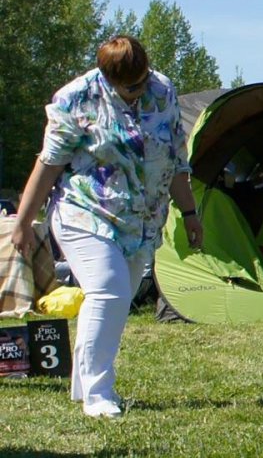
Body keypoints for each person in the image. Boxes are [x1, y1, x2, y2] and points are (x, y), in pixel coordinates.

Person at [11, 35, 201, 418]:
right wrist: (24, 221)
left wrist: (191, 213)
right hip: (85, 213)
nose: (139, 90)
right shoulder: (76, 98)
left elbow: (175, 159)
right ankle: (99, 395)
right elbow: (48, 164)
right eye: (130, 86)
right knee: (109, 291)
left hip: (141, 222)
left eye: (143, 79)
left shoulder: (162, 90)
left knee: (115, 298)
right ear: (107, 76)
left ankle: (84, 388)